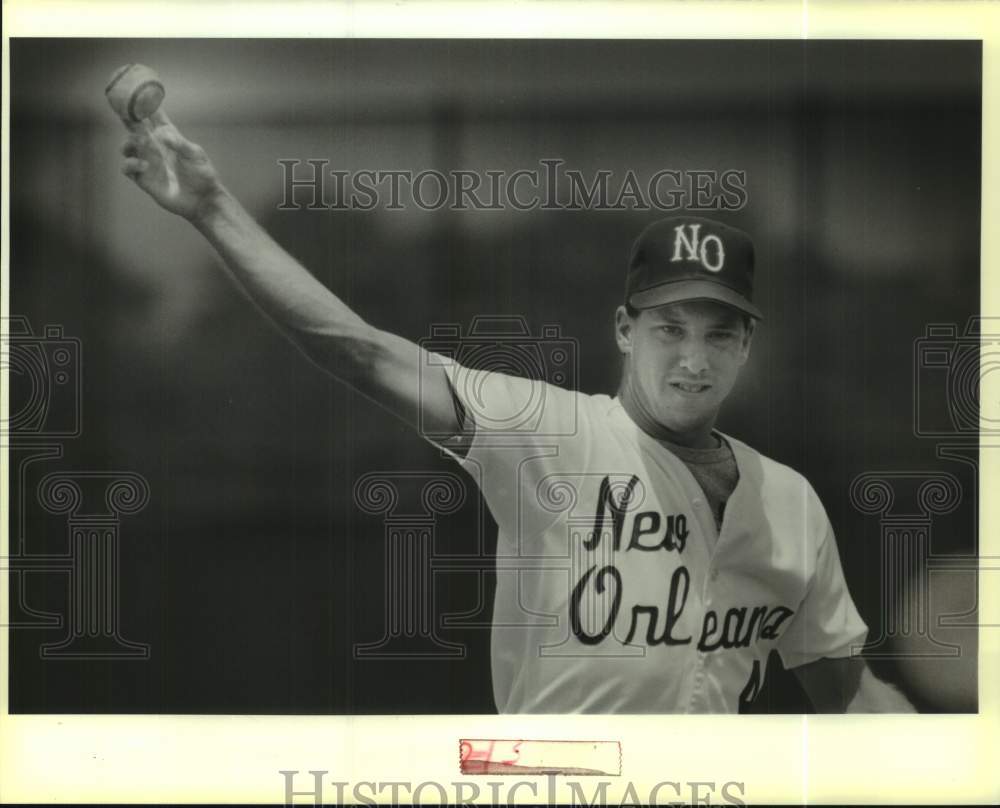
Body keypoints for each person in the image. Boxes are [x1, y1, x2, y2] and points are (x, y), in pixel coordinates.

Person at [119, 111, 915, 713]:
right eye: (669, 328)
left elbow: (848, 693)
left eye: (719, 333)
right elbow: (359, 350)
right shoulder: (549, 432)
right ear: (624, 331)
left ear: (746, 346)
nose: (692, 357)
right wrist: (212, 207)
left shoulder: (790, 505)